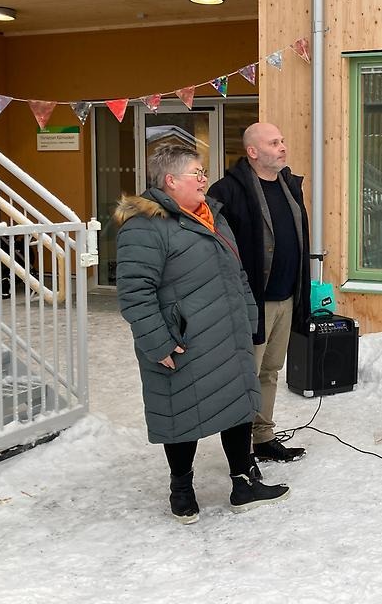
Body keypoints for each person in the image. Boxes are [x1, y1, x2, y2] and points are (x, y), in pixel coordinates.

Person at [115, 144, 289, 523]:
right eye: (197, 172)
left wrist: (247, 316)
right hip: (183, 340)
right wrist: (157, 341)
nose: (204, 179)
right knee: (181, 411)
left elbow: (237, 272)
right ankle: (182, 489)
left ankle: (244, 483)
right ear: (170, 180)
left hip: (228, 332)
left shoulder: (213, 216)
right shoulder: (144, 226)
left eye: (203, 172)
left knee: (237, 405)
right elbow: (134, 292)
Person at [207, 122, 311, 463]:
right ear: (253, 152)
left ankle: (263, 438)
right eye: (274, 142)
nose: (283, 147)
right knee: (244, 377)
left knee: (269, 373)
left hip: (285, 296)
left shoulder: (289, 186)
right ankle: (239, 455)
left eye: (282, 140)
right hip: (251, 303)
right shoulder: (228, 191)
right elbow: (214, 249)